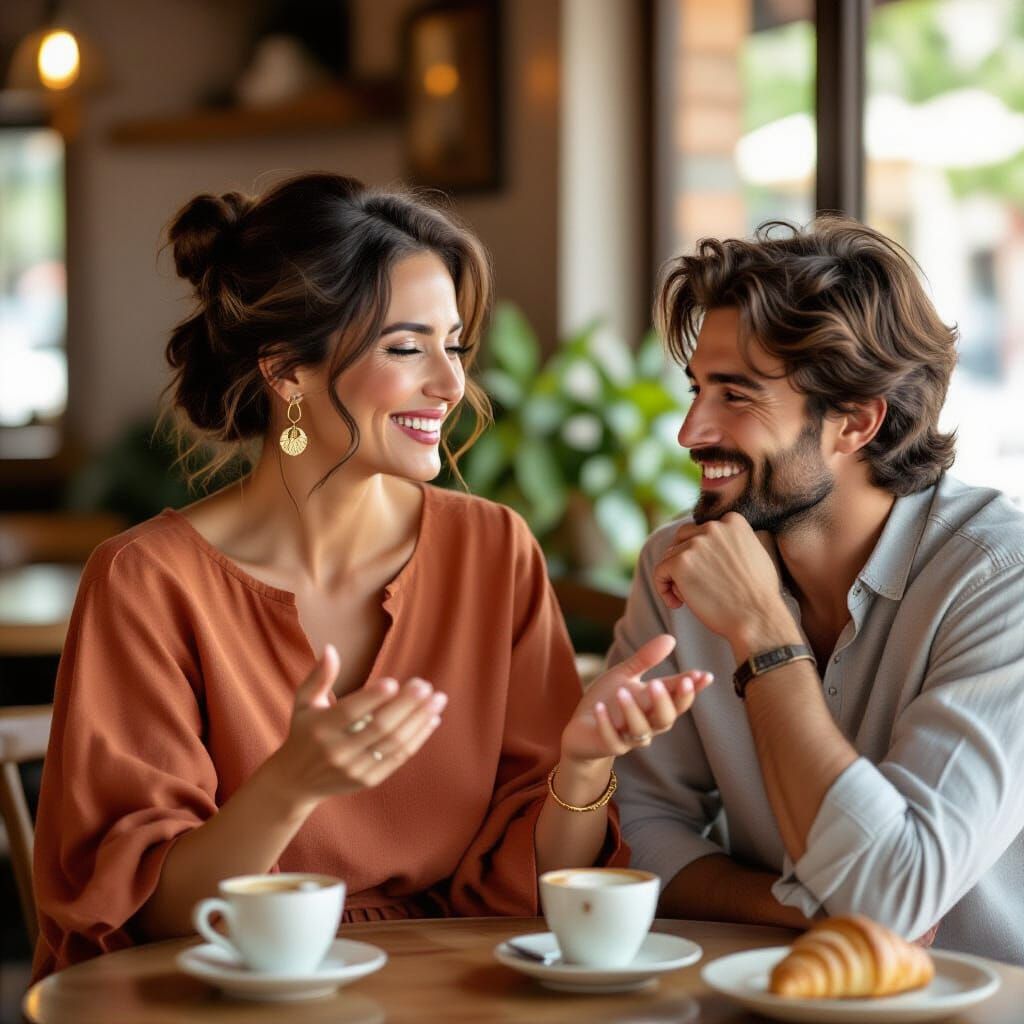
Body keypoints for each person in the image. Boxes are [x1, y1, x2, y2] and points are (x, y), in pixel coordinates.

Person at [32, 173, 710, 979]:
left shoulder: (494, 550)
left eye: (453, 345)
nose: (450, 384)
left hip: (454, 986)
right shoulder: (147, 581)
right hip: (230, 994)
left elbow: (531, 895)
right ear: (288, 372)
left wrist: (585, 762)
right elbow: (152, 918)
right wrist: (291, 784)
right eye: (405, 347)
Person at [613, 216, 1024, 964]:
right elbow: (635, 828)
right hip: (766, 998)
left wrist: (765, 635)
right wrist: (792, 911)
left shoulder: (1002, 582)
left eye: (735, 396)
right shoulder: (675, 564)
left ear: (856, 422)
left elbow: (896, 897)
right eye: (697, 389)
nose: (689, 431)